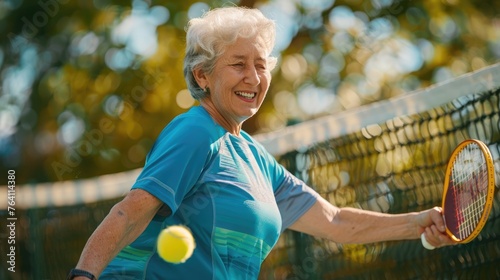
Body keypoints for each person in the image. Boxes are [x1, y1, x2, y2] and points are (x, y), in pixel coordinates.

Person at [68, 6, 455, 280]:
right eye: (238, 64)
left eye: (261, 64)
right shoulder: (195, 132)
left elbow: (336, 222)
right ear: (202, 76)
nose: (254, 77)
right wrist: (83, 275)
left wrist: (418, 224)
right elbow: (130, 211)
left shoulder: (255, 158)